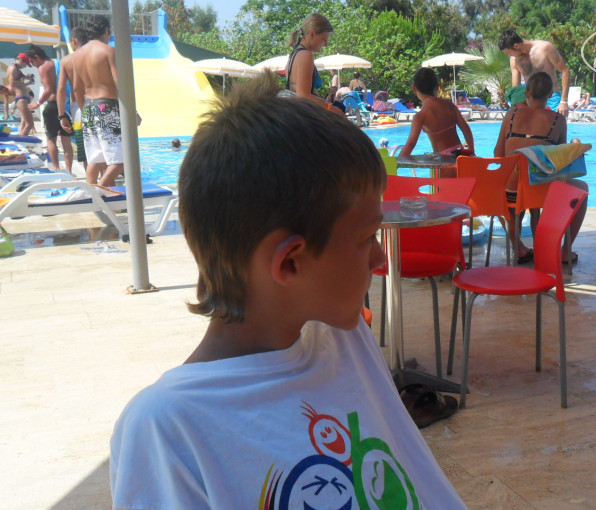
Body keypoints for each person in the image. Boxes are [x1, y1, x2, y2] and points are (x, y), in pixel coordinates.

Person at [109, 74, 467, 509]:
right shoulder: (168, 431)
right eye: (367, 239)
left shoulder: (344, 340)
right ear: (289, 263)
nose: (380, 259)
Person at [494, 71, 587, 264]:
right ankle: (564, 251)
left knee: (505, 192)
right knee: (582, 190)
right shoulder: (557, 120)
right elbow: (560, 161)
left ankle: (518, 247)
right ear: (550, 95)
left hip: (511, 191)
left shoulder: (511, 115)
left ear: (527, 93)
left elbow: (498, 153)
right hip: (542, 191)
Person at [73, 15, 140, 187]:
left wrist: (84, 109)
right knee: (122, 160)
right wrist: (133, 112)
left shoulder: (78, 55)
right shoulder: (109, 51)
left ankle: (92, 196)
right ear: (105, 30)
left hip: (88, 108)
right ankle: (99, 190)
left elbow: (76, 89)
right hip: (107, 107)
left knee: (96, 159)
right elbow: (120, 84)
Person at [399, 67, 474, 177]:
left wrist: (396, 163)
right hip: (461, 157)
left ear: (414, 88)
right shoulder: (450, 106)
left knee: (442, 189)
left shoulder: (420, 116)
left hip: (444, 160)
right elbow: (466, 130)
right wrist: (471, 152)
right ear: (438, 87)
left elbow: (410, 144)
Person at [498, 29, 571, 117]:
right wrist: (515, 110)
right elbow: (516, 88)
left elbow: (565, 71)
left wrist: (563, 101)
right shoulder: (514, 60)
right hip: (530, 101)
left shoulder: (545, 48)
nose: (509, 55)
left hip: (552, 99)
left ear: (516, 46)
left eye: (508, 52)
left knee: (555, 124)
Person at [26, 44, 74, 173]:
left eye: (32, 61)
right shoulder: (56, 63)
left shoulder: (43, 67)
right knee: (66, 142)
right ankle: (69, 171)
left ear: (37, 57)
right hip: (64, 105)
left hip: (52, 105)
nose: (33, 65)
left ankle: (57, 169)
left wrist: (38, 103)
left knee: (51, 139)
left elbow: (48, 90)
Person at [285, 13, 342, 116]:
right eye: (324, 39)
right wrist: (331, 108)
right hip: (305, 117)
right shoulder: (306, 54)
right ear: (312, 34)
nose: (326, 44)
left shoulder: (293, 55)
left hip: (294, 114)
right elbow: (303, 95)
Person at [58, 27, 89, 170]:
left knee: (85, 150)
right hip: (97, 103)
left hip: (77, 107)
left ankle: (92, 180)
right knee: (102, 147)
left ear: (73, 41)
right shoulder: (96, 56)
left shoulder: (67, 61)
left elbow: (61, 90)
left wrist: (61, 116)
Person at [5, 53, 34, 136]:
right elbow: (12, 83)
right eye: (25, 64)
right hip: (21, 97)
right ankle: (22, 140)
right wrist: (23, 78)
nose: (25, 66)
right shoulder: (13, 68)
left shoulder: (16, 68)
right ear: (21, 61)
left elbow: (18, 81)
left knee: (24, 123)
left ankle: (22, 138)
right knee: (29, 124)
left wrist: (27, 78)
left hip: (23, 97)